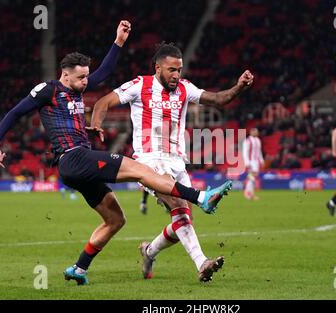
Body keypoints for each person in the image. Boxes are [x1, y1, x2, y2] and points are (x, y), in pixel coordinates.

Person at [0, 23, 232, 286]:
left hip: (78, 165)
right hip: (72, 157)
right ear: (65, 75)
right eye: (81, 78)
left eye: (86, 77)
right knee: (141, 169)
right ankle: (201, 196)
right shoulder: (47, 91)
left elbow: (104, 72)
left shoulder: (77, 87)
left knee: (116, 219)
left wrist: (118, 42)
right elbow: (15, 112)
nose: (86, 82)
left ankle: (79, 268)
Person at [91, 42, 254, 282]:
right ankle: (202, 263)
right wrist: (96, 123)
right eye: (171, 70)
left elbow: (218, 100)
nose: (176, 75)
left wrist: (239, 87)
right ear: (157, 68)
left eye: (179, 70)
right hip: (149, 161)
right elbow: (103, 102)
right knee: (178, 204)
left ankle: (149, 252)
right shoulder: (140, 85)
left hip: (177, 161)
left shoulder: (185, 88)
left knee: (183, 221)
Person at [242, 128, 264, 200]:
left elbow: (259, 151)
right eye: (255, 132)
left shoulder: (258, 140)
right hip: (251, 162)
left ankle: (249, 193)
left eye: (257, 132)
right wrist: (247, 162)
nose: (256, 133)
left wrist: (261, 160)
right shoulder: (247, 141)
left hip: (256, 162)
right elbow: (245, 152)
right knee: (252, 177)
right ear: (251, 132)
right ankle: (248, 193)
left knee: (252, 178)